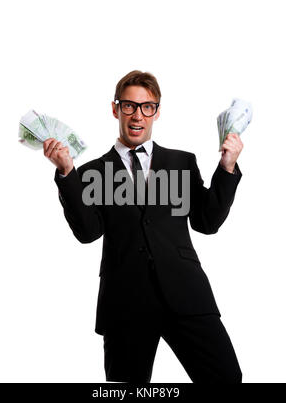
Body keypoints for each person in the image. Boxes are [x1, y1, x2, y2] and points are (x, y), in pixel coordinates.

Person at [43, 70, 243, 383]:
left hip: (186, 293)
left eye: (147, 107)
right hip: (125, 300)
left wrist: (227, 166)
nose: (138, 115)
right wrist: (67, 172)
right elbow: (87, 232)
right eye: (129, 106)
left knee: (226, 377)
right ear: (115, 109)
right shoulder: (94, 171)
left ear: (157, 112)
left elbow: (207, 222)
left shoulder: (181, 162)